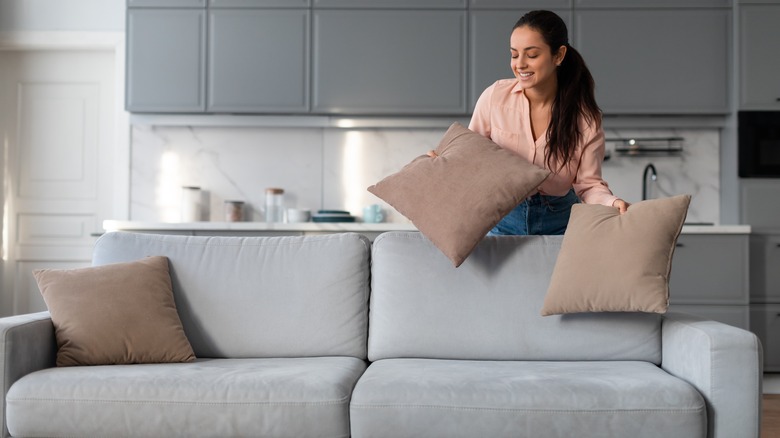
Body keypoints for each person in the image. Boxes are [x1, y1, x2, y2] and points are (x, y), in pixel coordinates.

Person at [468, 10, 629, 235]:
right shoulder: (494, 97)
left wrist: (612, 202)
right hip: (501, 219)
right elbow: (468, 155)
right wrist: (440, 160)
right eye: (514, 55)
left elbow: (589, 185)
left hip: (560, 223)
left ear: (559, 55)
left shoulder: (585, 118)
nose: (520, 64)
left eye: (532, 55)